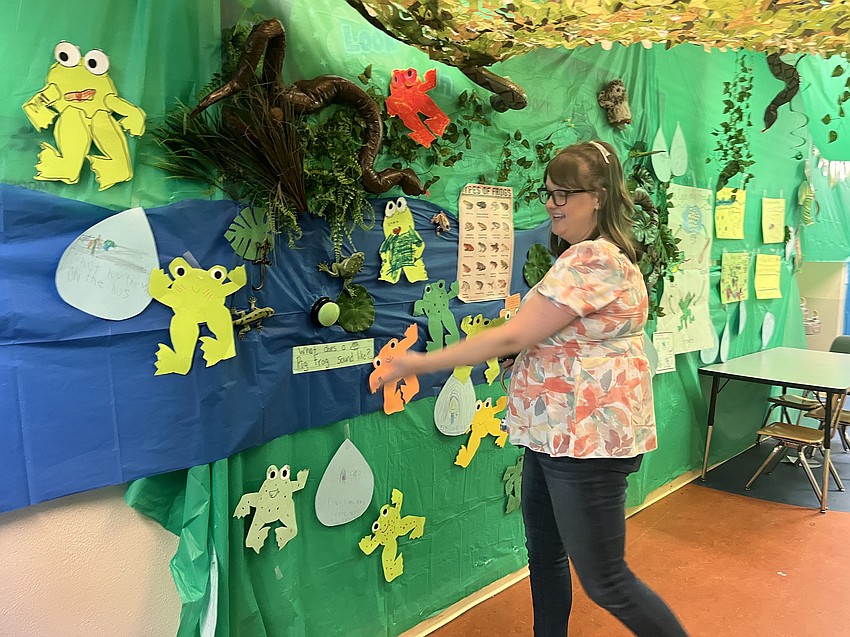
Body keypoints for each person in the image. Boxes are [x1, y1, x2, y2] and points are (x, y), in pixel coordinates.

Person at [371, 140, 689, 636]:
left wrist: (422, 361)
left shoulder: (592, 259)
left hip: (586, 442)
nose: (552, 204)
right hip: (552, 434)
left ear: (599, 196)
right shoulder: (582, 257)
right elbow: (552, 337)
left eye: (565, 194)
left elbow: (518, 332)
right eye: (548, 193)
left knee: (606, 580)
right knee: (545, 555)